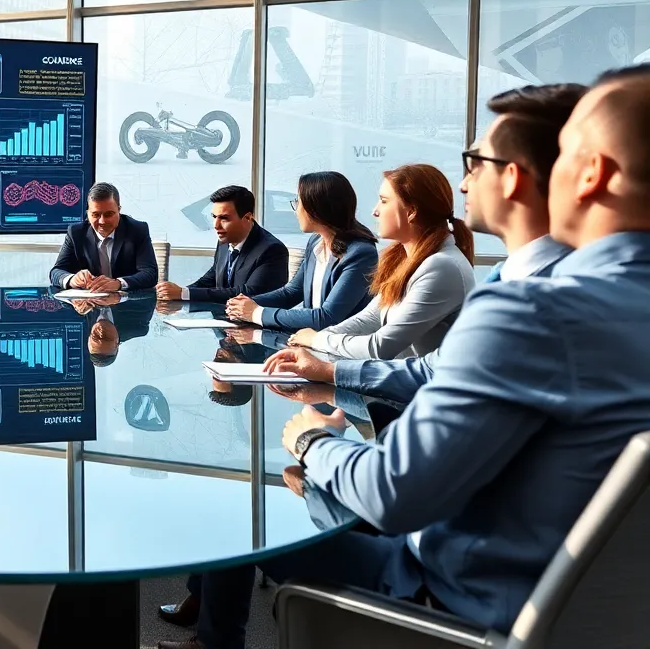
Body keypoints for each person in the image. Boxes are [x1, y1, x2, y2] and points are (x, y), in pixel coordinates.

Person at [157, 73, 650, 649]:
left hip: (446, 603)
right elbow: (433, 374)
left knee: (238, 516)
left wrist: (313, 442)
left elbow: (395, 496)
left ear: (589, 173)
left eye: (476, 161)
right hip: (574, 610)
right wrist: (331, 374)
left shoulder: (533, 309)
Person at [263, 84, 584, 400]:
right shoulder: (424, 263)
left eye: (475, 166)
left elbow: (392, 351)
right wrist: (317, 343)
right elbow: (376, 323)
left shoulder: (446, 267)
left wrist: (319, 345)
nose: (464, 185)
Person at [284, 164, 475, 360]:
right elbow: (370, 318)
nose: (375, 211)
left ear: (411, 212)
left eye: (384, 201)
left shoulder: (442, 267)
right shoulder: (404, 259)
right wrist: (321, 337)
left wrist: (317, 340)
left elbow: (381, 346)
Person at [224, 172, 377, 331]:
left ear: (316, 207)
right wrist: (246, 304)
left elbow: (326, 318)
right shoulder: (316, 241)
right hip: (310, 341)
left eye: (298, 202)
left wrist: (256, 313)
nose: (295, 210)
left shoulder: (361, 254)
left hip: (340, 347)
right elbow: (291, 293)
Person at [155, 185, 288, 303]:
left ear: (247, 217)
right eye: (214, 217)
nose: (216, 225)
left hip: (256, 327)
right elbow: (213, 277)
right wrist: (182, 291)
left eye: (224, 218)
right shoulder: (225, 240)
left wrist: (185, 294)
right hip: (222, 322)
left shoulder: (272, 250)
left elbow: (248, 293)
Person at [50, 182, 158, 292]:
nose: (102, 221)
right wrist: (72, 279)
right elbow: (56, 272)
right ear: (88, 213)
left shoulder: (137, 230)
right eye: (96, 215)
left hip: (126, 305)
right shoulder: (76, 233)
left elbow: (150, 273)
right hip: (89, 305)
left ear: (119, 210)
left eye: (109, 214)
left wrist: (118, 283)